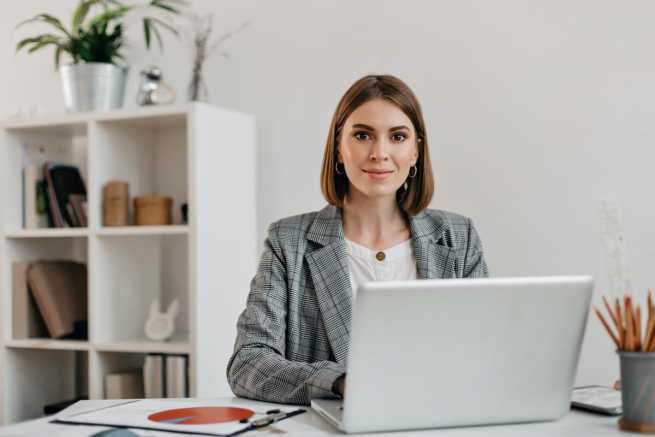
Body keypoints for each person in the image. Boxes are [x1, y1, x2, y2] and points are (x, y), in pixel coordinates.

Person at [226, 74, 489, 406]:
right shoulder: (287, 241)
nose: (379, 153)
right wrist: (340, 382)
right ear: (339, 148)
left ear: (415, 153)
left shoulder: (458, 237)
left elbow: (483, 353)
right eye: (363, 135)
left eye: (397, 136)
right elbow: (248, 364)